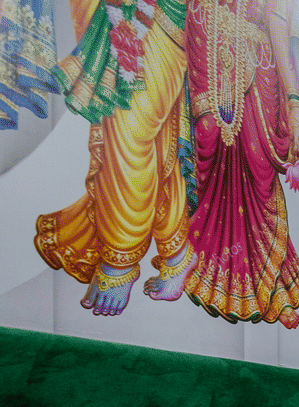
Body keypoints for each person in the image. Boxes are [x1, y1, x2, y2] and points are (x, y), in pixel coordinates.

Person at [35, 0, 196, 316]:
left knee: (130, 139)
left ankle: (121, 257)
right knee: (145, 139)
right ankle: (176, 252)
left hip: (162, 18)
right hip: (115, 13)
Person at [182, 0, 299, 329]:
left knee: (258, 175)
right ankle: (203, 267)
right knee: (210, 138)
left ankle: (273, 290)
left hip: (258, 65)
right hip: (207, 45)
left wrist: (294, 100)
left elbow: (278, 18)